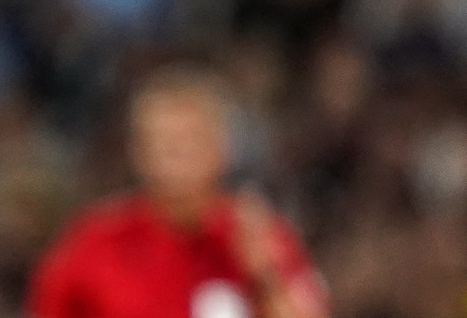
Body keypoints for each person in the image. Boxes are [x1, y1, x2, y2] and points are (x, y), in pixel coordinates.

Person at [27, 66, 328, 318]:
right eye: (165, 144)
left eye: (191, 140)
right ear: (139, 153)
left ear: (223, 149)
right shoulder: (94, 242)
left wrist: (265, 279)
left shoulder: (259, 236)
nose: (178, 156)